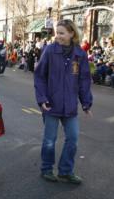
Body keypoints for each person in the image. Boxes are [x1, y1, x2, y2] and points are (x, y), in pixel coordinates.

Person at [34, 19, 93, 184]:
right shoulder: (49, 51)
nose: (57, 36)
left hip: (70, 107)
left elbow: (84, 80)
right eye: (57, 32)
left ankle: (65, 171)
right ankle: (47, 169)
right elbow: (39, 77)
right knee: (49, 140)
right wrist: (42, 98)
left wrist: (86, 103)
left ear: (71, 34)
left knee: (73, 139)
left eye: (61, 33)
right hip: (51, 104)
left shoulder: (79, 54)